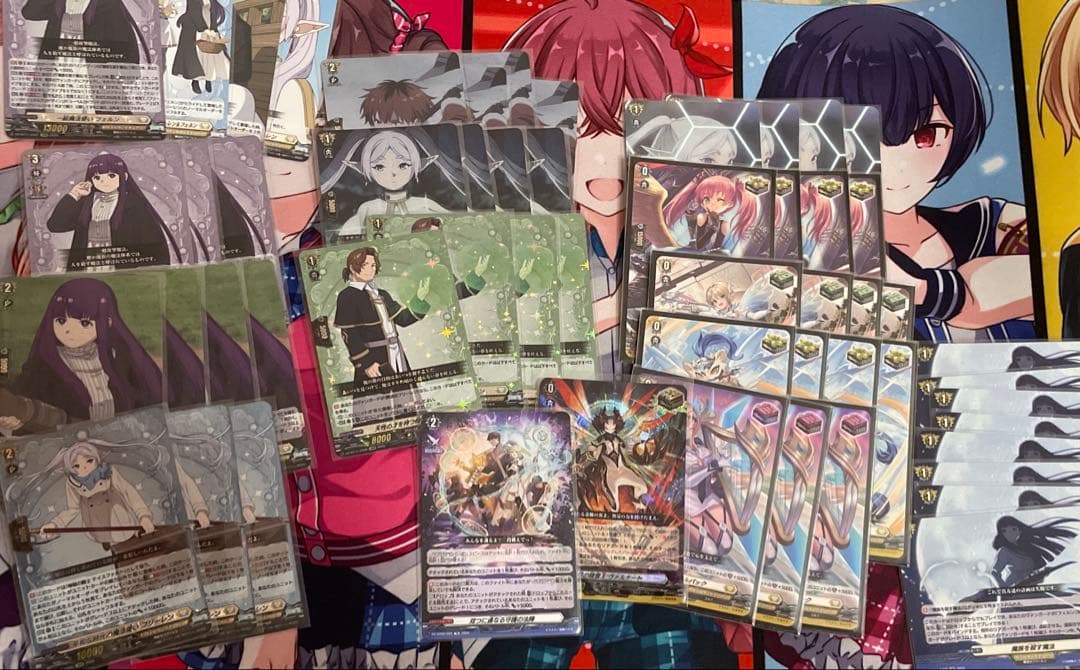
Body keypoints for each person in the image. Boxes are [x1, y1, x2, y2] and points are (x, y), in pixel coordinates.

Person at [759, 4, 1034, 342]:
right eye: (859, 139)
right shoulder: (785, 255)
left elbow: (1046, 278)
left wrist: (919, 287)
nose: (897, 163)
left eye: (926, 134)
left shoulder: (994, 227)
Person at [2, 278, 163, 426]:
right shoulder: (45, 366)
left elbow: (145, 402)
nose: (68, 330)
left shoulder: (118, 358)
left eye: (84, 323)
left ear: (107, 323)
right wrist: (19, 420)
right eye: (61, 321)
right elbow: (31, 408)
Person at [45, 153, 181, 270]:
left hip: (123, 268)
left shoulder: (134, 205)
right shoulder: (86, 204)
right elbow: (55, 225)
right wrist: (74, 194)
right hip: (87, 264)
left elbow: (154, 243)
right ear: (91, 180)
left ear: (124, 176)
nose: (104, 181)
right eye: (97, 177)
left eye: (111, 175)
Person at [333, 246, 431, 382]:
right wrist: (366, 362)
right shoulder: (347, 296)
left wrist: (419, 299)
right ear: (352, 267)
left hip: (397, 353)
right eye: (365, 265)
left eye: (373, 265)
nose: (371, 269)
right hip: (373, 358)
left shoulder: (382, 293)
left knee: (404, 391)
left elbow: (403, 319)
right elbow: (349, 334)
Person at [40, 442, 155, 551]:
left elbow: (127, 491)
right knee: (104, 537)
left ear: (96, 458)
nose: (84, 467)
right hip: (94, 521)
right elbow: (72, 509)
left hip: (116, 514)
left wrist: (144, 516)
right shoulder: (72, 483)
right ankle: (106, 541)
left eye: (89, 461)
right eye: (77, 466)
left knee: (127, 540)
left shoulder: (107, 471)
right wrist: (55, 524)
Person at [336, 130, 447, 237]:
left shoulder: (425, 205)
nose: (393, 173)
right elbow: (347, 236)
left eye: (403, 165)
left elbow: (452, 227)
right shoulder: (368, 208)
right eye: (379, 167)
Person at [171, 0, 230, 93]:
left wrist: (213, 29)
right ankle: (195, 81)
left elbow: (212, 13)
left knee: (210, 54)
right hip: (193, 28)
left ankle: (208, 79)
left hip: (208, 24)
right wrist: (204, 29)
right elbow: (193, 12)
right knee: (197, 56)